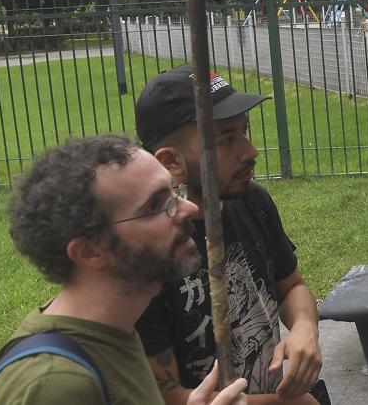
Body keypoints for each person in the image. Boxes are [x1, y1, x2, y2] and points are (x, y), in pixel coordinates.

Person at [0, 135, 247, 405]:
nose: (188, 208)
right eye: (156, 205)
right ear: (91, 251)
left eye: (173, 193)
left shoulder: (114, 330)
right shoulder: (56, 386)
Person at [133, 65, 326, 404]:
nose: (249, 151)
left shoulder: (253, 201)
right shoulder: (147, 254)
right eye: (225, 139)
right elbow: (163, 395)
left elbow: (291, 285)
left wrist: (304, 327)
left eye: (244, 131)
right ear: (171, 163)